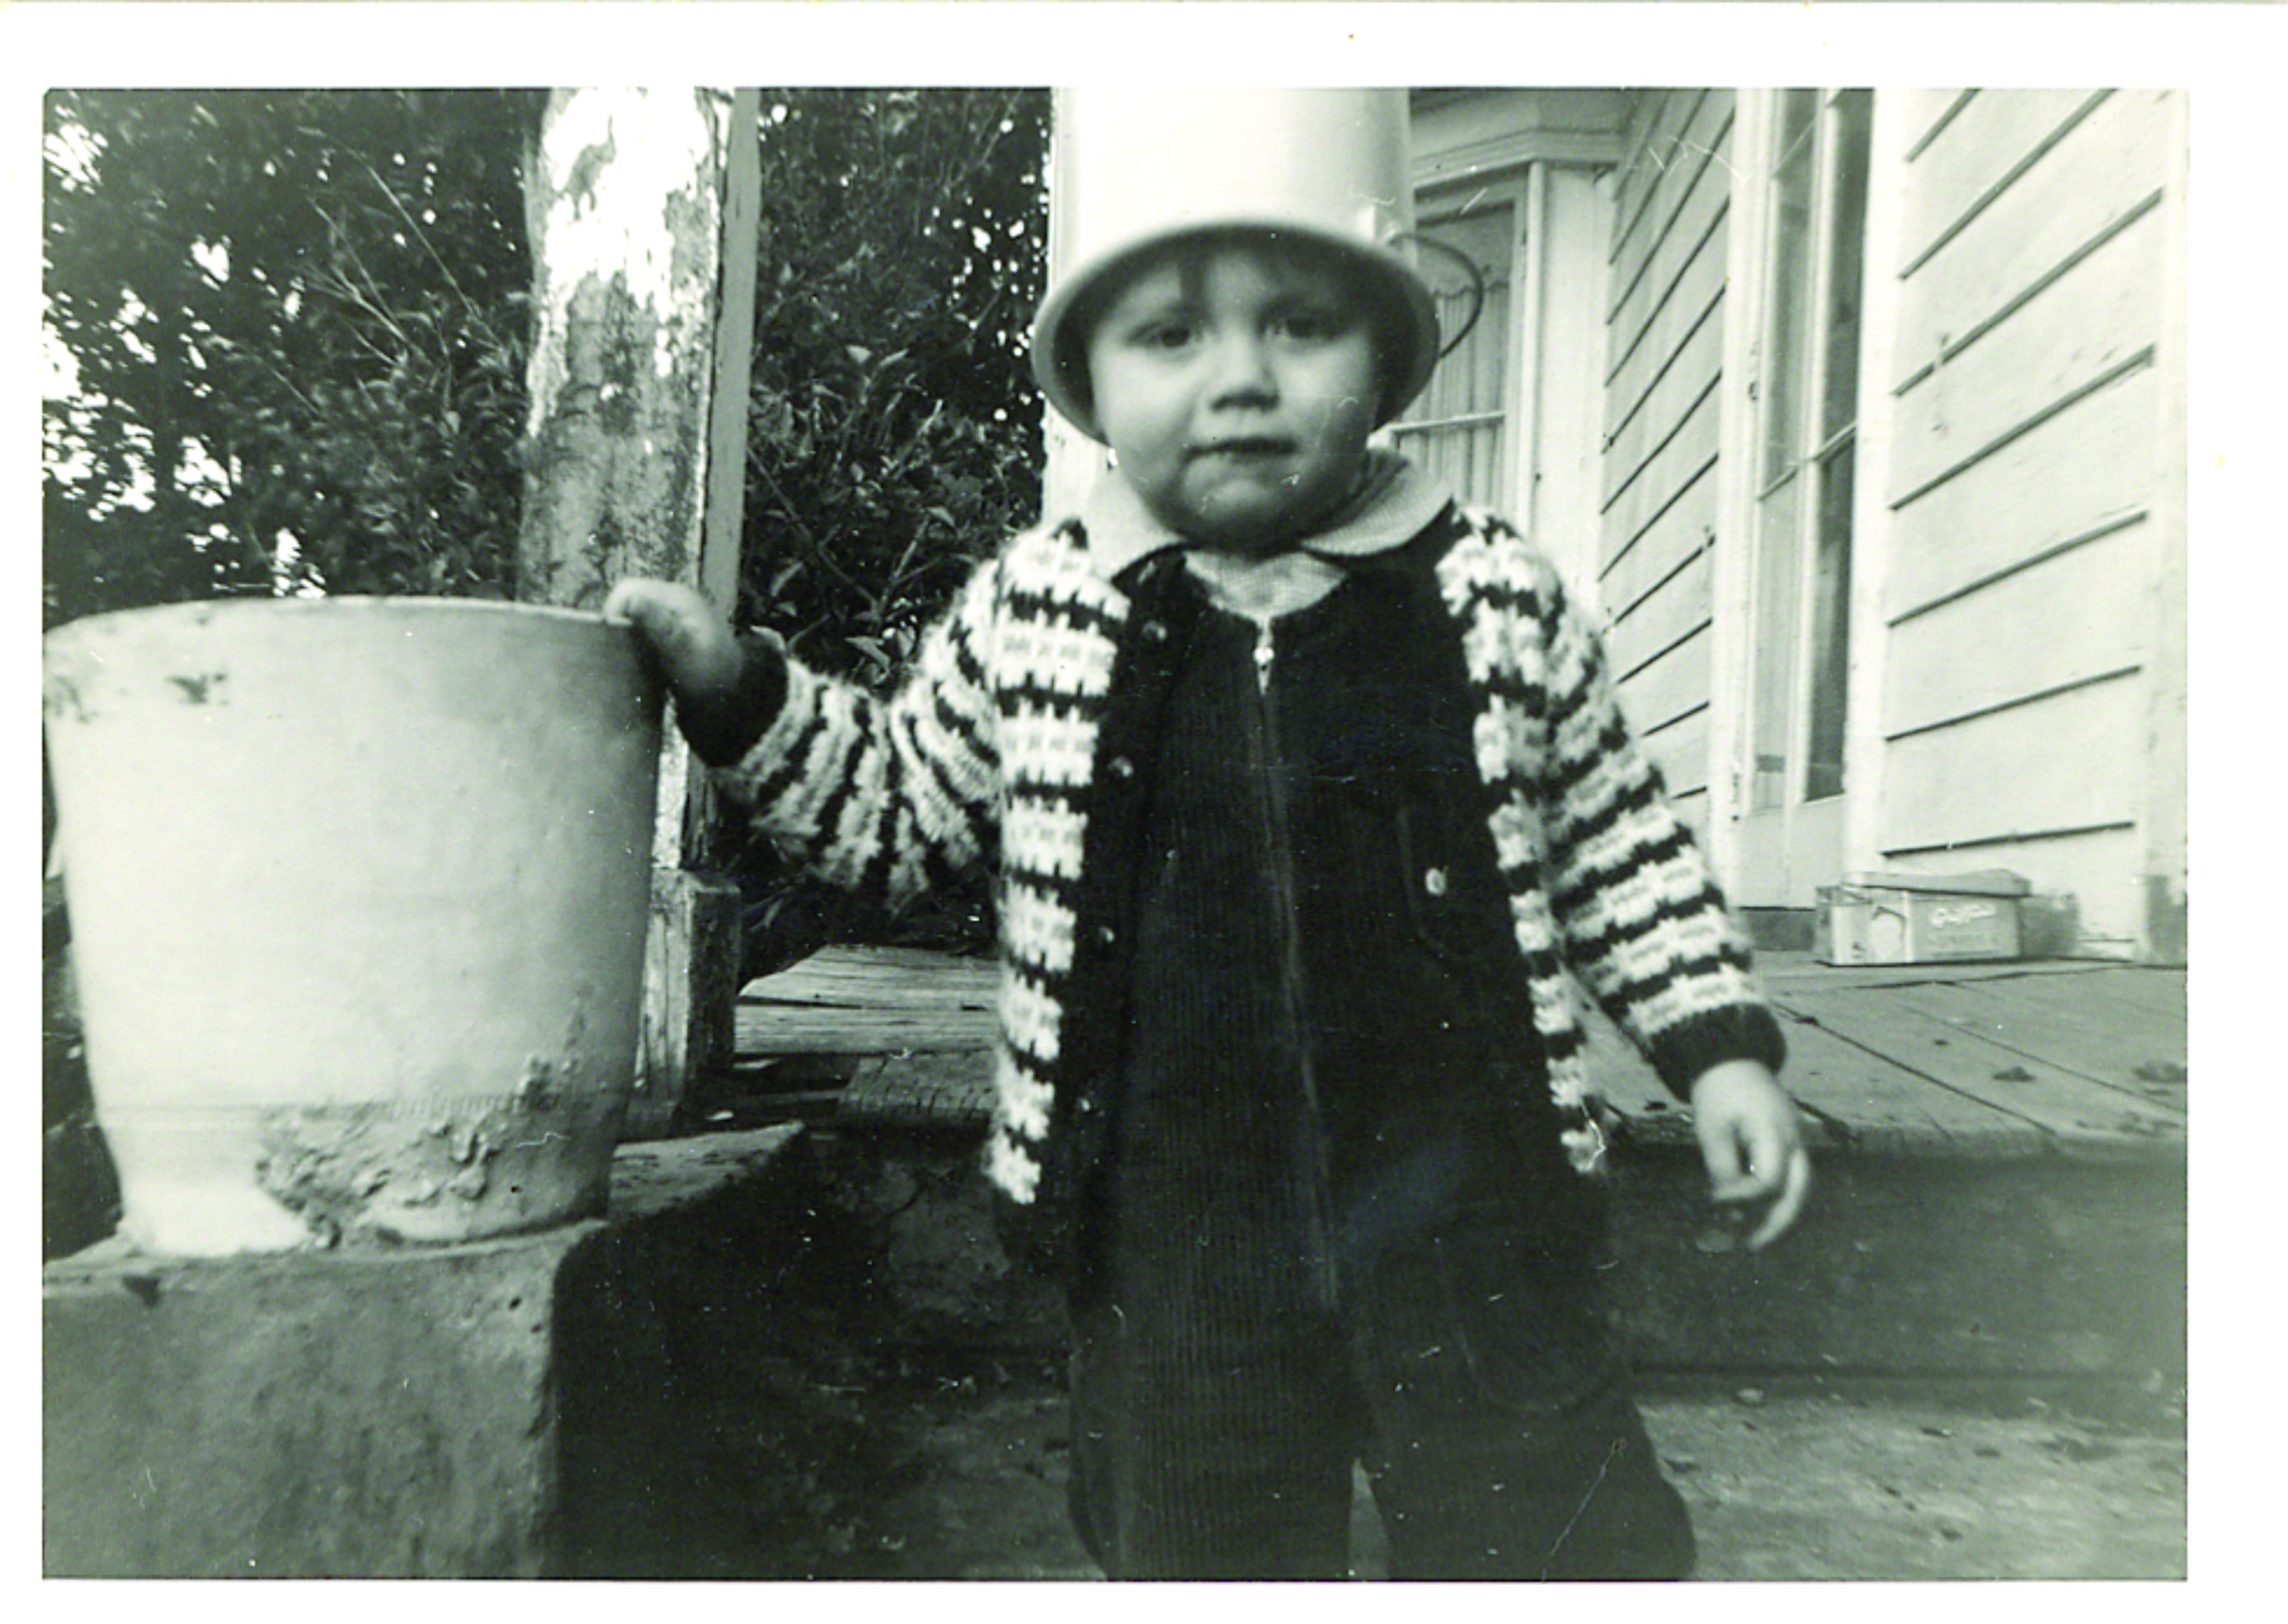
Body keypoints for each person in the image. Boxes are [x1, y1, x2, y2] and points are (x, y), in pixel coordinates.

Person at [606, 88, 1810, 1580]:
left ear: (1385, 357)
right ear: (1089, 378)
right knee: (1200, 1536)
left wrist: (1722, 1050)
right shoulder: (1043, 612)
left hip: (1470, 1206)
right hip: (1173, 1219)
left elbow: (1616, 843)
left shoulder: (1493, 597)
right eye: (1171, 336)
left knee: (1544, 1522)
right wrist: (742, 701)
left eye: (1298, 325)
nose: (1239, 378)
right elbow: (899, 815)